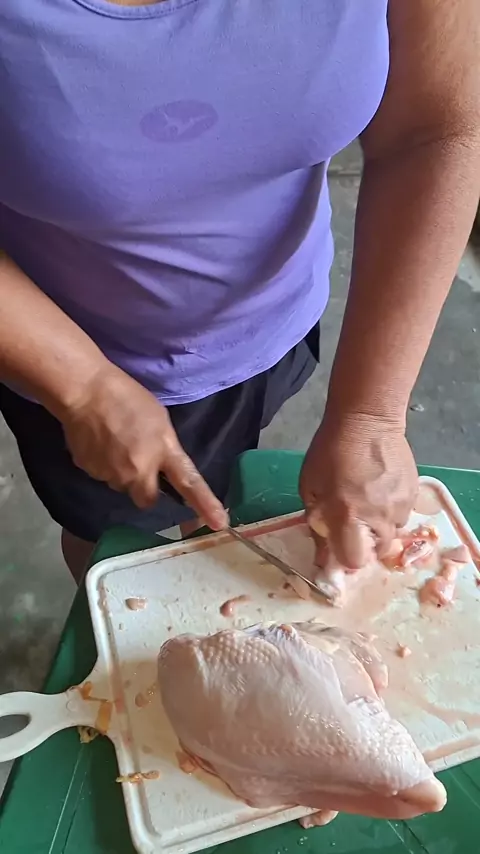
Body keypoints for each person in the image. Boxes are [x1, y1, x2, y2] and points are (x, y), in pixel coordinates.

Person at [0, 0, 479, 581]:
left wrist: (370, 414)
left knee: (219, 487)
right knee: (110, 538)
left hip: (271, 322)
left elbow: (436, 129)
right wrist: (81, 387)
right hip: (56, 343)